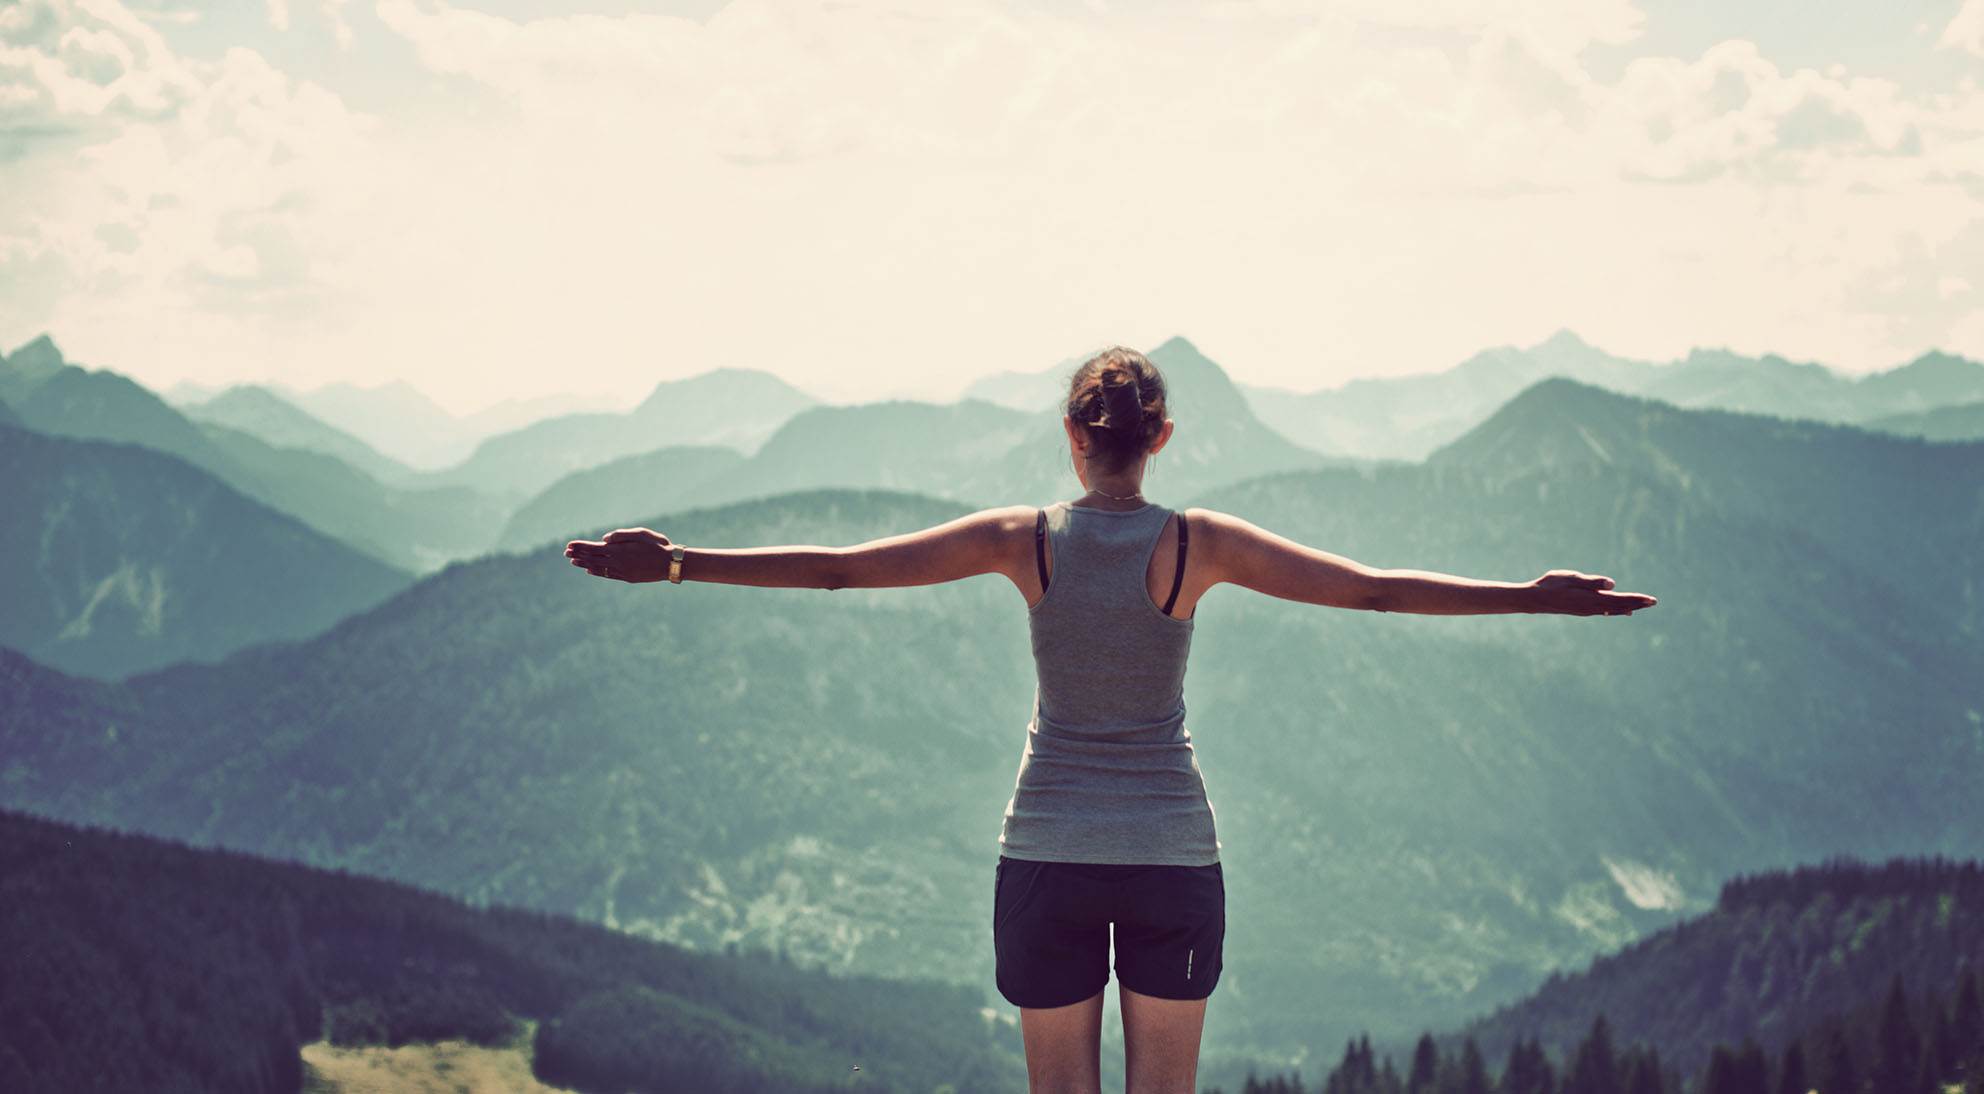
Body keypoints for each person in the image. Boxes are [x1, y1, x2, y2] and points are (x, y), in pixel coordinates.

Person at [565, 346, 1656, 1094]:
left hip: (1043, 852)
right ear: (1161, 435)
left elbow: (843, 570)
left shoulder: (1019, 536)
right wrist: (1528, 593)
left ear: (1072, 438)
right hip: (1172, 855)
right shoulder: (1199, 542)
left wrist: (674, 563)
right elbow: (1371, 588)